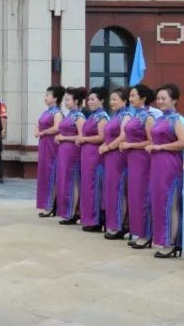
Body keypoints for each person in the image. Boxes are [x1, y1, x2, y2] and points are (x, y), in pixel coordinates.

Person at [147, 83, 184, 258]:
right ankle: (164, 239)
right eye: (158, 98)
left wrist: (161, 147)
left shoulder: (177, 120)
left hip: (170, 165)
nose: (160, 101)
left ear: (174, 100)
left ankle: (172, 243)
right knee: (158, 201)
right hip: (157, 164)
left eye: (164, 98)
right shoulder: (160, 119)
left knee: (170, 203)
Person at [121, 84, 156, 249]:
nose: (130, 98)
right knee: (134, 195)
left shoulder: (148, 117)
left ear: (143, 98)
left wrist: (131, 145)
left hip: (142, 159)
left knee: (142, 196)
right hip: (132, 159)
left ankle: (145, 234)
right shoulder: (135, 116)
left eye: (133, 95)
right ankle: (137, 231)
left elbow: (151, 141)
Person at [99, 87, 132, 240]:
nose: (112, 102)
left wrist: (108, 146)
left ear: (125, 101)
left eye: (115, 99)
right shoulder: (114, 116)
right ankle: (113, 223)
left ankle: (120, 225)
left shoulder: (126, 115)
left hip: (118, 155)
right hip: (110, 155)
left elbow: (124, 135)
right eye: (111, 99)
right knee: (111, 189)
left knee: (119, 190)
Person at [76, 87, 109, 232]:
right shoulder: (92, 115)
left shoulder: (102, 117)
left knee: (94, 186)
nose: (89, 102)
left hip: (95, 156)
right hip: (86, 155)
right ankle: (88, 218)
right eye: (88, 99)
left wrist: (84, 139)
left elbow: (102, 137)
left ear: (101, 100)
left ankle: (96, 220)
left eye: (93, 99)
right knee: (87, 186)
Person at [54, 87, 86, 223]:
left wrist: (63, 138)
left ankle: (73, 213)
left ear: (76, 101)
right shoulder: (69, 115)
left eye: (68, 100)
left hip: (73, 152)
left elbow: (81, 136)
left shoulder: (79, 117)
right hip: (64, 152)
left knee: (73, 182)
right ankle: (68, 210)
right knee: (65, 180)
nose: (65, 102)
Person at [34, 86, 65, 217]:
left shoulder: (57, 113)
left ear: (55, 98)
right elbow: (38, 123)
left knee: (51, 173)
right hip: (44, 144)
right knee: (44, 173)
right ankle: (47, 203)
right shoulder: (46, 111)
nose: (45, 97)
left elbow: (57, 128)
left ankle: (51, 205)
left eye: (48, 95)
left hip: (52, 145)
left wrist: (43, 132)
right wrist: (36, 130)